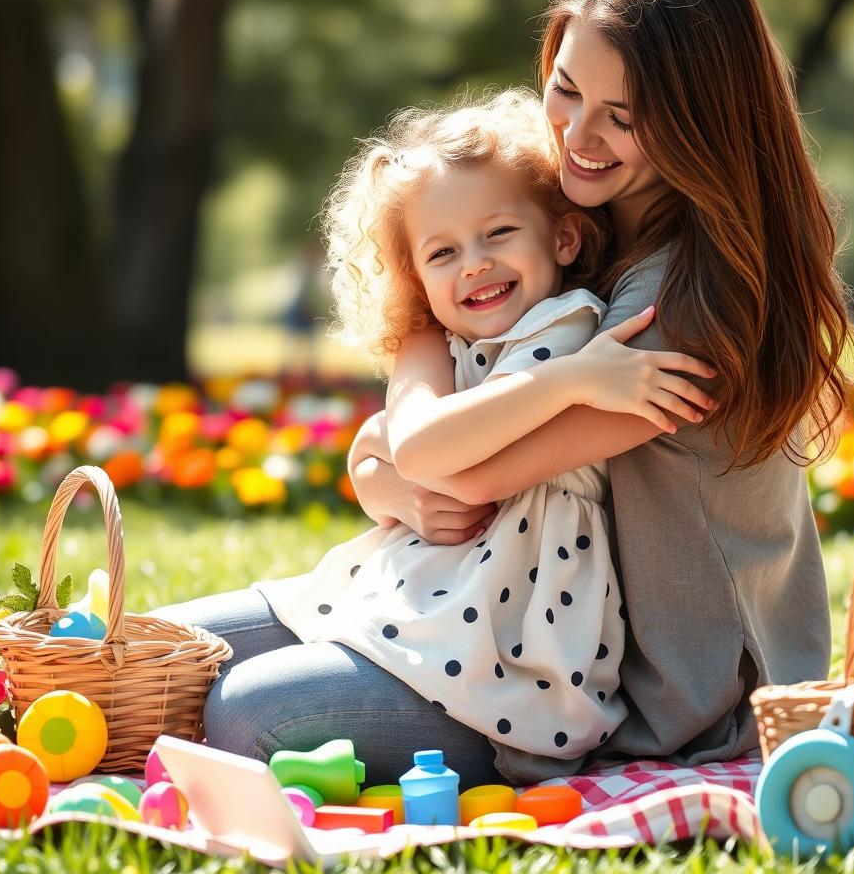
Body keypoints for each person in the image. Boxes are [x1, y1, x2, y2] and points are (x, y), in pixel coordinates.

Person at [347, 0, 854, 784]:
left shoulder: (680, 303)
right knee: (192, 649)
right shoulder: (583, 226)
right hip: (494, 618)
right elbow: (419, 432)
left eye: (621, 117)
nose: (577, 134)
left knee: (243, 711)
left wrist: (395, 452)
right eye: (565, 90)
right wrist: (385, 470)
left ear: (701, 124)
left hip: (669, 695)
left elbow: (469, 472)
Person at [151, 88, 714, 784]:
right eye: (442, 251)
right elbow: (412, 448)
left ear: (563, 236)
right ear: (416, 276)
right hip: (395, 601)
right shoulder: (447, 344)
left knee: (241, 714)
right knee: (154, 648)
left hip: (500, 676)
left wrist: (557, 380)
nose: (474, 263)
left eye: (498, 233)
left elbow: (421, 446)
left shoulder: (566, 327)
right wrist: (381, 470)